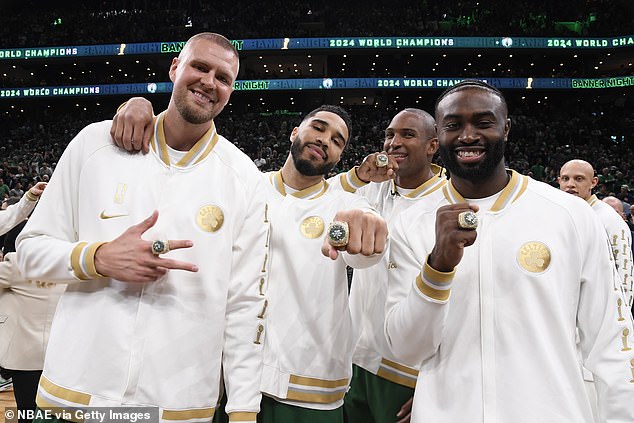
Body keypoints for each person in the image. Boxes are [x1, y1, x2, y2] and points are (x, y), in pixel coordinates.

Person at [16, 33, 269, 423]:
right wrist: (97, 257)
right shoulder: (96, 144)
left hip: (178, 404)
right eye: (199, 67)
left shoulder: (243, 178)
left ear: (231, 91)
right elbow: (29, 249)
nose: (209, 82)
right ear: (174, 68)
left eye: (223, 78)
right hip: (76, 392)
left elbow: (245, 305)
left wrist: (243, 410)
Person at [111, 100, 389, 423]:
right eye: (319, 128)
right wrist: (141, 105)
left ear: (340, 156)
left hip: (309, 390)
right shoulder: (244, 187)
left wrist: (368, 230)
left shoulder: (345, 204)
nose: (325, 140)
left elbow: (367, 246)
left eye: (337, 141)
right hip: (228, 381)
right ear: (295, 132)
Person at [384, 80, 634, 422]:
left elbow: (611, 340)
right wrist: (437, 268)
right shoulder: (411, 223)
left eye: (483, 123)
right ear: (438, 135)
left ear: (506, 128)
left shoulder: (569, 215)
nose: (468, 135)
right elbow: (407, 348)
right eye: (453, 125)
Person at [334, 109, 444, 423]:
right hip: (355, 359)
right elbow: (319, 196)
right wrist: (359, 174)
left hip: (408, 373)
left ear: (432, 146)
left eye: (407, 135)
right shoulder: (371, 189)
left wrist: (434, 384)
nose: (393, 143)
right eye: (389, 135)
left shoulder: (447, 204)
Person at [0, 182, 51, 423]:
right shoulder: (67, 264)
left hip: (24, 357)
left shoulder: (14, 265)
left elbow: (7, 221)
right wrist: (29, 198)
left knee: (26, 414)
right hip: (59, 354)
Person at [558, 159, 633, 308]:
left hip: (597, 309)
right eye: (565, 179)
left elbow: (625, 275)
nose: (570, 184)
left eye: (579, 179)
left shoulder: (609, 219)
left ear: (593, 182)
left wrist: (620, 318)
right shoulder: (558, 215)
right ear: (559, 181)